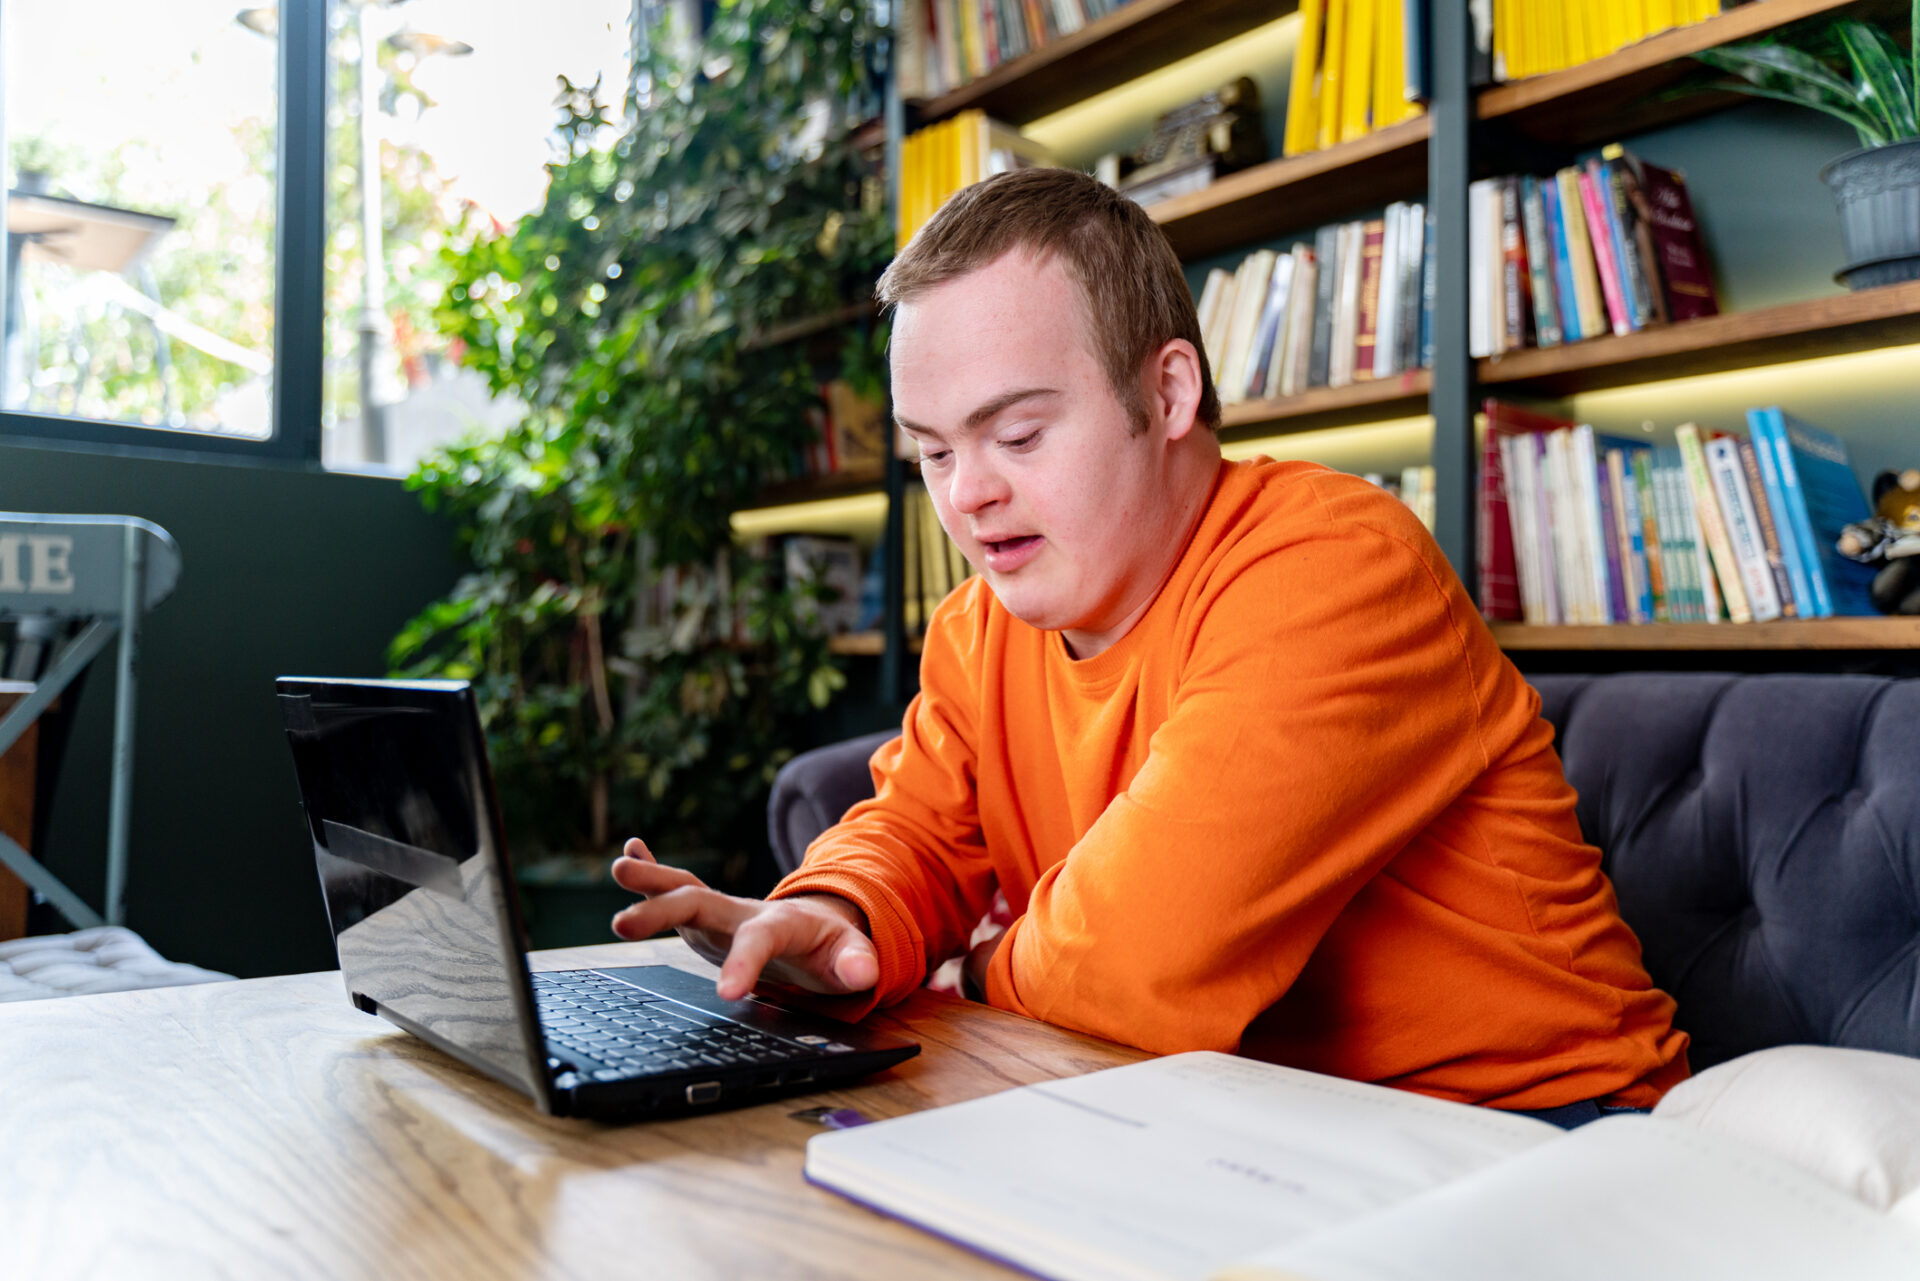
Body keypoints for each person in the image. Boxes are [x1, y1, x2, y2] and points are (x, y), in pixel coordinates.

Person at [611, 166, 1690, 1115]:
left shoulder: (1337, 563)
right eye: (932, 455)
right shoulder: (981, 622)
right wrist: (835, 919)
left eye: (1019, 434)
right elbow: (919, 832)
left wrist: (965, 973)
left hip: (1532, 1126)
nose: (970, 496)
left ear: (1167, 391)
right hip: (1227, 1120)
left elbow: (1141, 963)